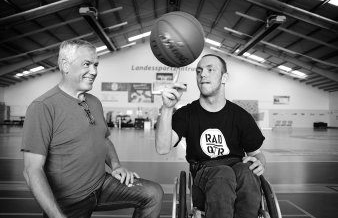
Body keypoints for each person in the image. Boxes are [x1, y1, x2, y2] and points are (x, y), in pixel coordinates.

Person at [21, 39, 163, 218]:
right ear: (65, 65)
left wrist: (116, 165)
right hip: (69, 201)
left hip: (101, 185)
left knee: (153, 193)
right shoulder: (43, 106)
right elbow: (31, 170)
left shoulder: (94, 102)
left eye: (96, 65)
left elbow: (103, 139)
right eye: (87, 64)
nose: (94, 71)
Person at [155, 54, 266, 218]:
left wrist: (259, 163)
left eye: (210, 69)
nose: (202, 74)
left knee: (246, 171)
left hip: (236, 170)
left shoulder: (241, 116)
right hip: (204, 173)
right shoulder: (186, 114)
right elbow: (162, 148)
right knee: (223, 173)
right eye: (199, 71)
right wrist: (166, 108)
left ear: (224, 77)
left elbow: (256, 154)